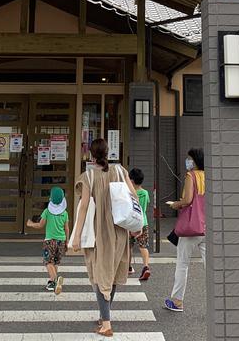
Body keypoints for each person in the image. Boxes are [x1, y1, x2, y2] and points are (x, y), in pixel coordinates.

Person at [70, 137, 139, 338]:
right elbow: (133, 196)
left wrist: (75, 236)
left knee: (101, 274)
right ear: (108, 152)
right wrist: (139, 224)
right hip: (120, 230)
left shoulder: (88, 176)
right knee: (113, 272)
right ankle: (104, 315)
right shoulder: (120, 171)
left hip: (99, 232)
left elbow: (83, 208)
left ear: (90, 155)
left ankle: (106, 324)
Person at [164, 148, 206, 312]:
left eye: (189, 159)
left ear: (195, 161)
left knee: (182, 264)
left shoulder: (191, 176)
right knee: (210, 265)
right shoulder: (209, 176)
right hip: (206, 226)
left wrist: (175, 204)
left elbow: (188, 200)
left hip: (190, 228)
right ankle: (220, 300)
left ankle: (177, 301)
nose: (187, 161)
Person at [26, 186, 69, 294]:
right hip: (61, 240)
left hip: (50, 241)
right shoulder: (65, 213)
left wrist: (30, 224)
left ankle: (55, 279)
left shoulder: (47, 212)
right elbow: (66, 228)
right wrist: (67, 241)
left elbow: (40, 225)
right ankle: (51, 282)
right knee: (55, 262)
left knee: (48, 262)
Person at [127, 168, 151, 281]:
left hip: (130, 222)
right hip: (143, 222)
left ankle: (128, 267)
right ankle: (146, 266)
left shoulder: (129, 193)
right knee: (143, 246)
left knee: (129, 246)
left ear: (131, 181)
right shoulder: (145, 193)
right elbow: (146, 205)